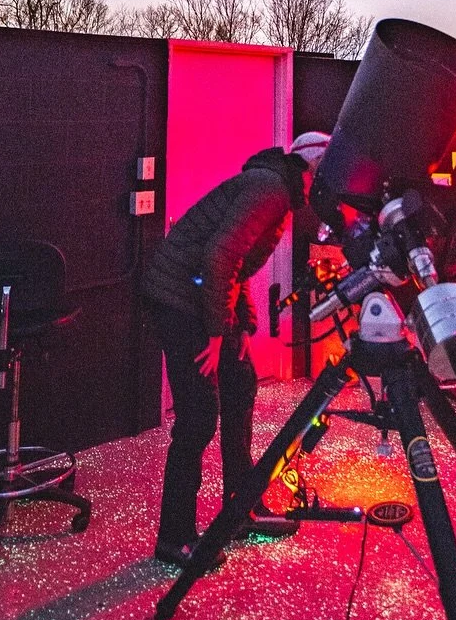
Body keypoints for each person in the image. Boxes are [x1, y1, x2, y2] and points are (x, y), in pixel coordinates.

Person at [142, 129, 331, 567]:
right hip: (177, 301)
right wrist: (215, 334)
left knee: (240, 383)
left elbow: (235, 264)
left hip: (200, 297)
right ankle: (174, 537)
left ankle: (241, 508)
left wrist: (240, 324)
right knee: (198, 416)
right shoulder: (269, 190)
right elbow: (218, 258)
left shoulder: (275, 190)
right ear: (312, 168)